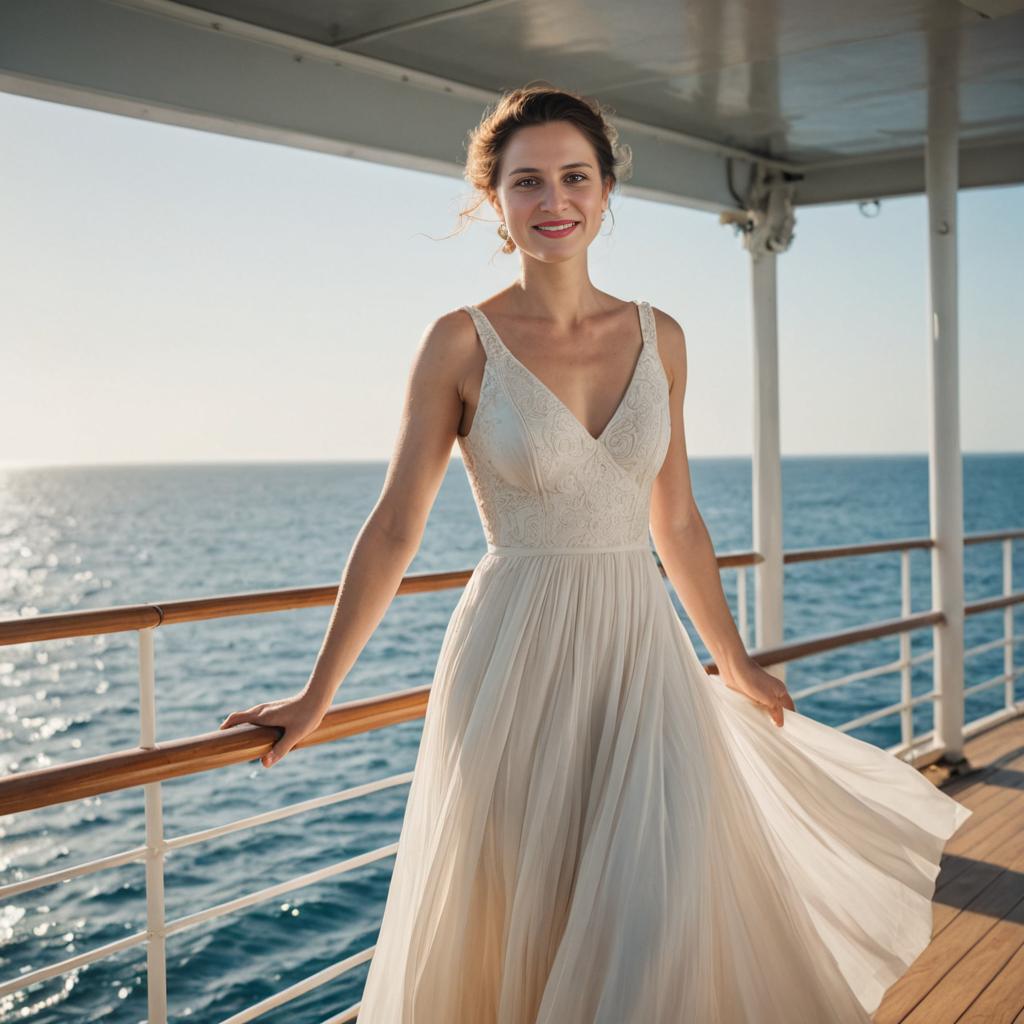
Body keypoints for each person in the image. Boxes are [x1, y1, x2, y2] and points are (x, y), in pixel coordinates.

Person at [219, 83, 972, 1023]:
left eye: (575, 176)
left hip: (639, 655)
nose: (554, 201)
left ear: (607, 191)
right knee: (518, 923)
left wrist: (734, 660)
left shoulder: (662, 338)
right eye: (527, 181)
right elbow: (396, 527)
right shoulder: (460, 342)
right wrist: (316, 695)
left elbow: (680, 520)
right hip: (512, 665)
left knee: (657, 914)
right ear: (492, 200)